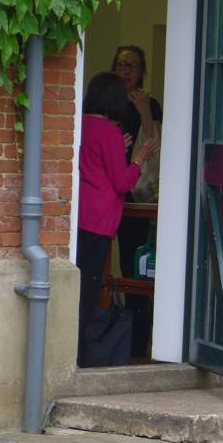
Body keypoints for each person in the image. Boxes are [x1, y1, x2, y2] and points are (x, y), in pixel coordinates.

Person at [77, 72, 159, 367]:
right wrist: (139, 158)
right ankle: (81, 351)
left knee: (79, 281)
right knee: (89, 286)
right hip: (100, 218)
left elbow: (96, 161)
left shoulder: (80, 124)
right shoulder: (109, 131)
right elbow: (122, 182)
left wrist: (119, 149)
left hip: (80, 214)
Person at [111, 45, 162, 356]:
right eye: (121, 65)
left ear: (141, 71)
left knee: (142, 265)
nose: (126, 71)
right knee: (122, 265)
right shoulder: (107, 101)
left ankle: (141, 339)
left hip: (141, 195)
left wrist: (143, 109)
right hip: (114, 191)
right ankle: (121, 336)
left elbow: (154, 143)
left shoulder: (149, 104)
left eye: (132, 65)